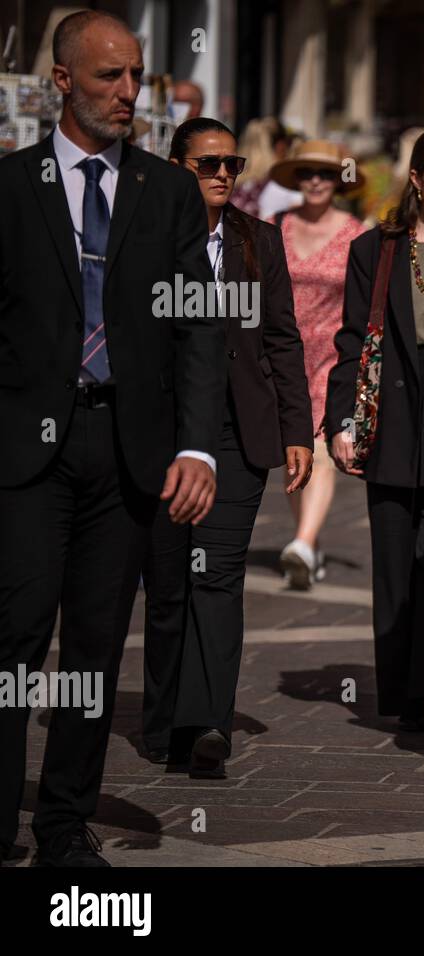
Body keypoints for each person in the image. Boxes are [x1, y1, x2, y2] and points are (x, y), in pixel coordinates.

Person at [0, 11, 225, 865]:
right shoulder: (9, 187)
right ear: (62, 80)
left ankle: (64, 823)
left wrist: (197, 447)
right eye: (109, 76)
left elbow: (198, 331)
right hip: (25, 455)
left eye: (135, 74)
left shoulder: (167, 193)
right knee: (15, 639)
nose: (129, 91)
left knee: (94, 650)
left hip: (128, 452)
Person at [137, 118, 314, 777]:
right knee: (168, 584)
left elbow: (282, 339)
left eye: (231, 164)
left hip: (239, 433)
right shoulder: (145, 238)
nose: (221, 174)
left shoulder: (256, 240)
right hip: (163, 434)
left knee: (216, 574)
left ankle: (207, 723)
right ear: (175, 168)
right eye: (206, 163)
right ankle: (164, 722)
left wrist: (296, 430)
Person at [326, 127, 424, 733]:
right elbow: (351, 341)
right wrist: (342, 420)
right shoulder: (376, 249)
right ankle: (408, 694)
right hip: (392, 423)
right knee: (395, 566)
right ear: (416, 179)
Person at [269, 139, 367, 588]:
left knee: (323, 448)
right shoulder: (277, 225)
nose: (315, 181)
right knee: (295, 449)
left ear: (339, 181)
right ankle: (308, 545)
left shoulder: (356, 232)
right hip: (285, 354)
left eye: (325, 173)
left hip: (333, 354)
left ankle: (304, 542)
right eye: (307, 173)